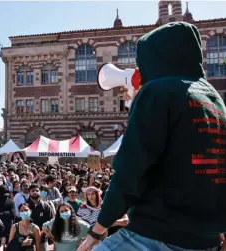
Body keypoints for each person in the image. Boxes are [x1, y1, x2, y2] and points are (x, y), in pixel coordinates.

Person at [77, 21, 226, 251]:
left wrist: (96, 232)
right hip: (206, 239)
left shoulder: (157, 92)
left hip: (155, 234)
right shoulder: (214, 98)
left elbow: (130, 172)